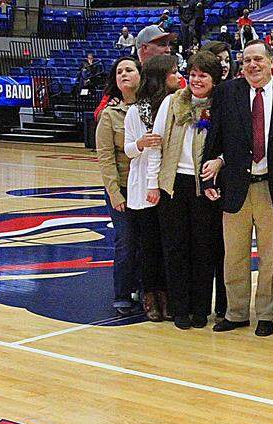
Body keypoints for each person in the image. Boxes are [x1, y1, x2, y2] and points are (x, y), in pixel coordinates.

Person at [201, 41, 273, 336]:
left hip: (271, 187)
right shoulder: (228, 93)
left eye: (258, 59)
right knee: (235, 255)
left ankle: (266, 314)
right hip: (236, 186)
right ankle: (236, 312)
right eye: (247, 60)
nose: (252, 65)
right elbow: (214, 138)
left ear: (270, 62)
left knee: (271, 256)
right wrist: (209, 175)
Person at [145, 51, 224, 330]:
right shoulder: (171, 102)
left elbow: (231, 144)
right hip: (173, 184)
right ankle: (180, 308)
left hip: (205, 187)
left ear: (215, 79)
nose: (197, 79)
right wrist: (153, 183)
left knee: (203, 249)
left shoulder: (222, 106)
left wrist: (221, 162)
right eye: (193, 74)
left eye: (203, 75)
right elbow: (156, 143)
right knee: (175, 248)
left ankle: (200, 308)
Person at [124, 54, 180, 322]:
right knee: (149, 248)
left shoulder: (176, 105)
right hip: (143, 188)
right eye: (173, 72)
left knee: (167, 245)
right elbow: (128, 150)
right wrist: (141, 144)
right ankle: (150, 295)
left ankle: (169, 294)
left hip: (167, 185)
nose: (178, 77)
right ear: (160, 77)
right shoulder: (136, 111)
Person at [96, 57, 144, 317]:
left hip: (147, 187)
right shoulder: (109, 114)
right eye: (119, 71)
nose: (123, 74)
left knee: (147, 241)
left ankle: (145, 288)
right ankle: (123, 294)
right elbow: (105, 157)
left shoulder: (153, 108)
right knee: (126, 240)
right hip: (122, 188)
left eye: (129, 70)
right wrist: (114, 193)